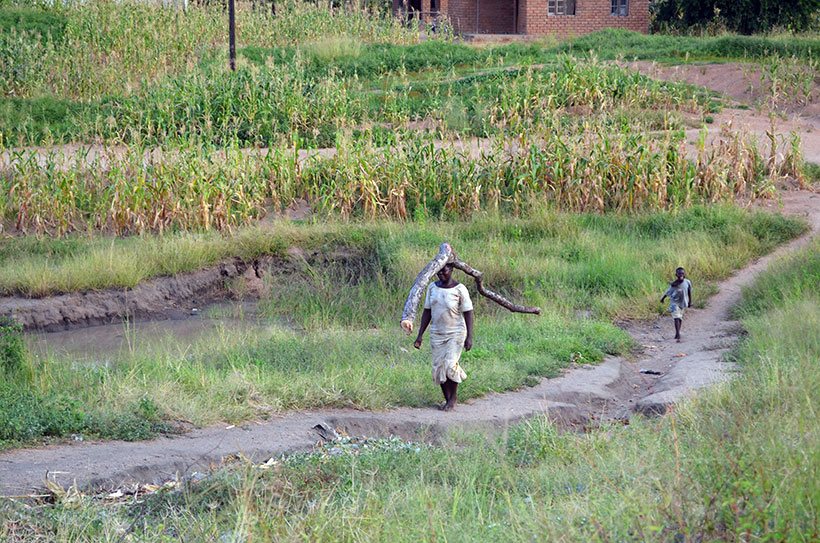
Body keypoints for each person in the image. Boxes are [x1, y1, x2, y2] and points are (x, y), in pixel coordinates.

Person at [413, 263, 474, 411]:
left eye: (444, 271)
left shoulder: (459, 289)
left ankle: (452, 399)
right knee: (439, 367)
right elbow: (427, 312)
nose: (441, 274)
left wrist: (469, 337)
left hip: (456, 332)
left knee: (450, 365)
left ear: (451, 270)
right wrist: (420, 335)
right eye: (438, 272)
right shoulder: (432, 288)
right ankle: (447, 399)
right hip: (437, 332)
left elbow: (468, 312)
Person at [660, 267, 693, 342]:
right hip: (674, 303)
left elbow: (689, 292)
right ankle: (678, 334)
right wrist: (662, 299)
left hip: (683, 302)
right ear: (676, 275)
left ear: (684, 274)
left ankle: (677, 332)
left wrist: (690, 301)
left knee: (680, 318)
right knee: (676, 318)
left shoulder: (687, 282)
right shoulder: (674, 285)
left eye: (682, 273)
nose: (681, 275)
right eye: (679, 273)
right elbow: (667, 292)